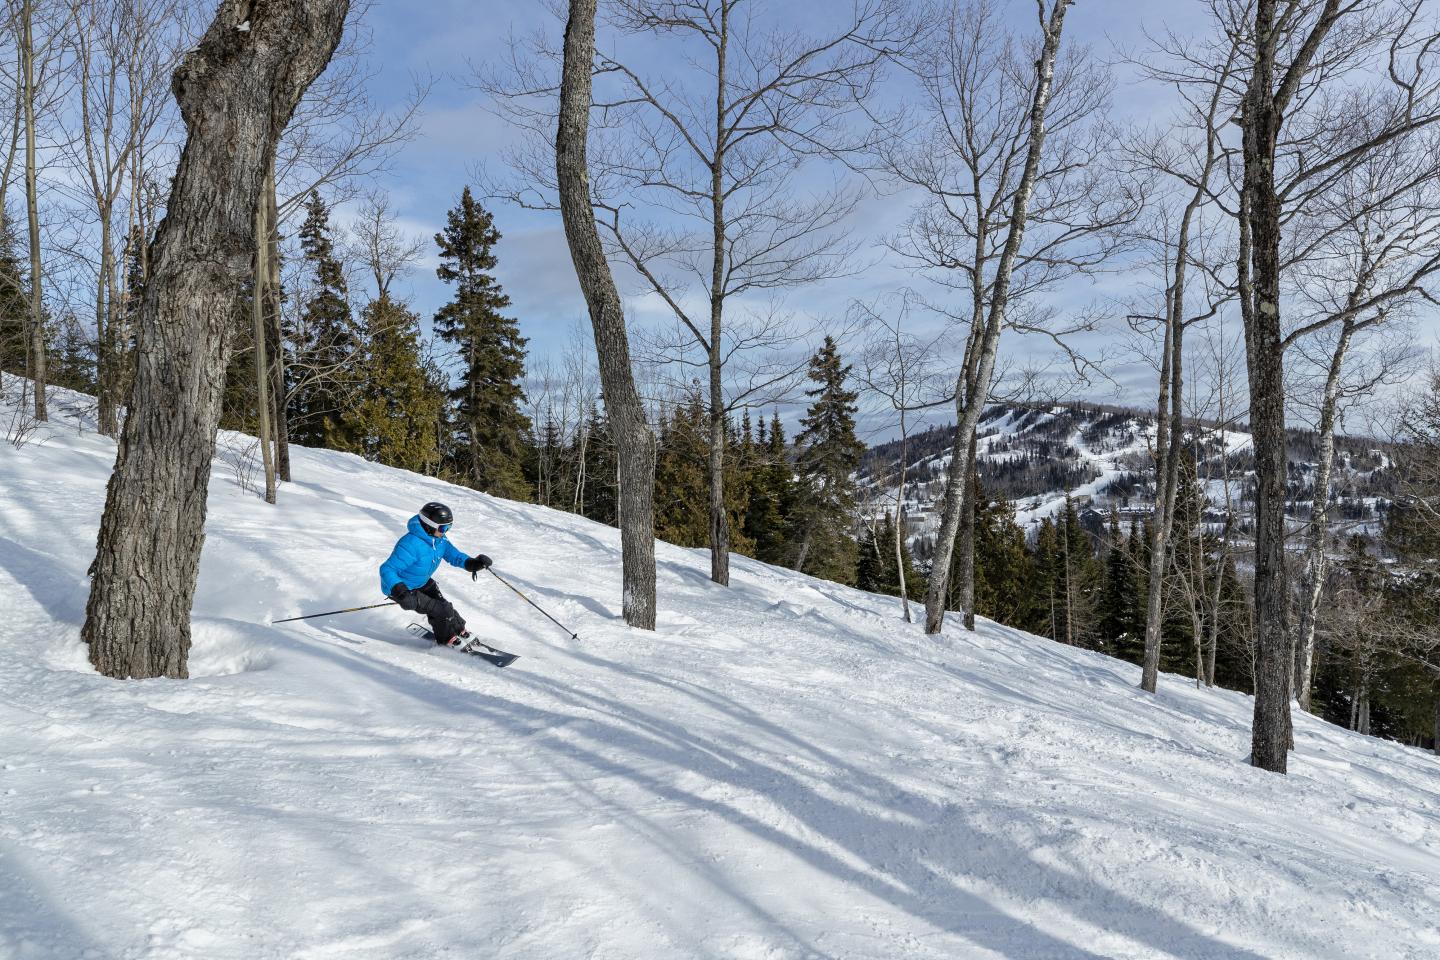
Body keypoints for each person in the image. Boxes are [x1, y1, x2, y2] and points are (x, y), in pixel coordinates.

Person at [379, 501, 492, 647]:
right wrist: (401, 592)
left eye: (449, 527)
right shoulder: (410, 544)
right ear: (429, 525)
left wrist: (472, 564)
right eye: (443, 527)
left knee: (446, 606)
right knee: (441, 610)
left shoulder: (439, 539)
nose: (446, 531)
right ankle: (446, 639)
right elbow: (387, 569)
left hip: (422, 581)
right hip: (403, 588)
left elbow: (454, 555)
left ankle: (459, 630)